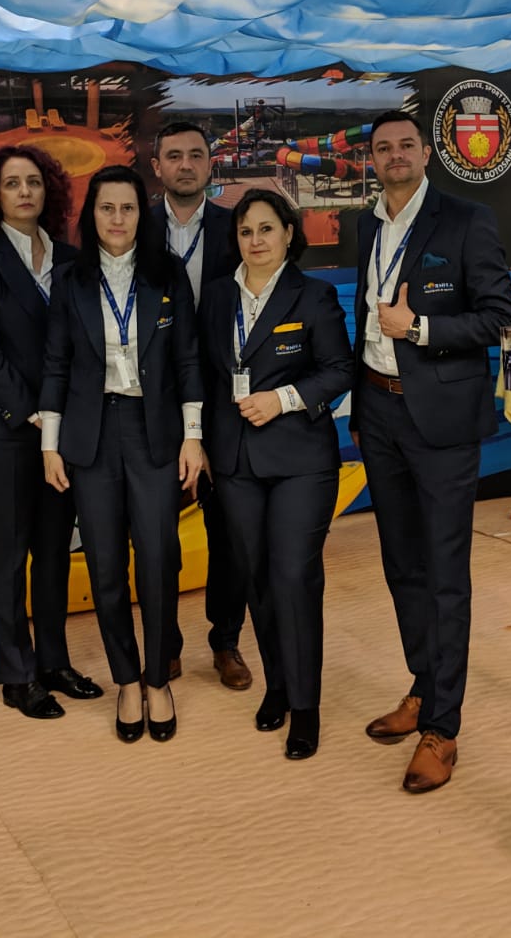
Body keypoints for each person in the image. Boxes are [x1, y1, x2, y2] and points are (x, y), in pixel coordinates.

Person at [351, 111, 511, 794]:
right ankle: (423, 687)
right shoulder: (368, 225)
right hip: (378, 410)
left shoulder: (466, 219)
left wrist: (418, 327)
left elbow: (500, 318)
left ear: (427, 153)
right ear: (372, 159)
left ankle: (442, 728)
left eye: (406, 145)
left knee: (446, 575)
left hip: (441, 420)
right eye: (383, 148)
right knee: (402, 566)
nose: (395, 155)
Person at [40, 165, 207, 744]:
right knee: (106, 566)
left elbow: (188, 358)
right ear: (92, 215)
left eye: (128, 208)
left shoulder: (168, 273)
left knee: (158, 559)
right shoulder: (70, 279)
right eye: (106, 208)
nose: (117, 219)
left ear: (143, 214)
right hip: (90, 436)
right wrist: (50, 445)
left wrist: (193, 435)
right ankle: (127, 681)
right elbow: (56, 364)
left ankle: (158, 679)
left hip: (154, 430)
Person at [198, 189, 353, 761]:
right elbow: (205, 375)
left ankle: (306, 707)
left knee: (293, 577)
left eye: (267, 228)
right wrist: (201, 442)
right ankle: (279, 687)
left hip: (300, 463)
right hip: (235, 462)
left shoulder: (314, 295)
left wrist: (283, 399)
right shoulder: (217, 297)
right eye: (246, 231)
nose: (256, 240)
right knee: (257, 579)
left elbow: (338, 370)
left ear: (289, 233)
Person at [0, 144, 102, 721]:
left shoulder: (71, 259)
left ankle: (54, 662)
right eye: (12, 183)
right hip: (5, 432)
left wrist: (62, 416)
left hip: (59, 434)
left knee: (54, 552)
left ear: (50, 191)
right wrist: (36, 413)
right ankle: (17, 675)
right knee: (8, 557)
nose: (24, 192)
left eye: (34, 182)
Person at [150, 121, 251, 692]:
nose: (185, 164)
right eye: (174, 156)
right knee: (157, 535)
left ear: (211, 165)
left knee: (229, 534)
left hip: (224, 406)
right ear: (157, 167)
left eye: (195, 155)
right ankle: (164, 645)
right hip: (151, 408)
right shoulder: (134, 227)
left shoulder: (235, 228)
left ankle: (226, 641)